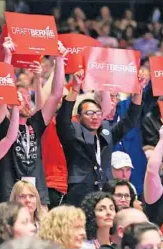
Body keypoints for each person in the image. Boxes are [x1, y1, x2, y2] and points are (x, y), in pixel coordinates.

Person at [0, 38, 66, 205]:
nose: (25, 101)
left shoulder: (35, 124)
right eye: (20, 97)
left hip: (38, 194)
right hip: (11, 196)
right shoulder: (1, 126)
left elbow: (56, 94)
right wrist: (8, 58)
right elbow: (1, 93)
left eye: (26, 97)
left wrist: (59, 59)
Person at [56, 70, 145, 206]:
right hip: (79, 195)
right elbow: (63, 119)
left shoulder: (106, 135)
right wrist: (75, 89)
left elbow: (130, 120)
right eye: (89, 113)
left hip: (105, 194)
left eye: (98, 113)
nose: (94, 116)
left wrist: (139, 91)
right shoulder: (73, 135)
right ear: (79, 118)